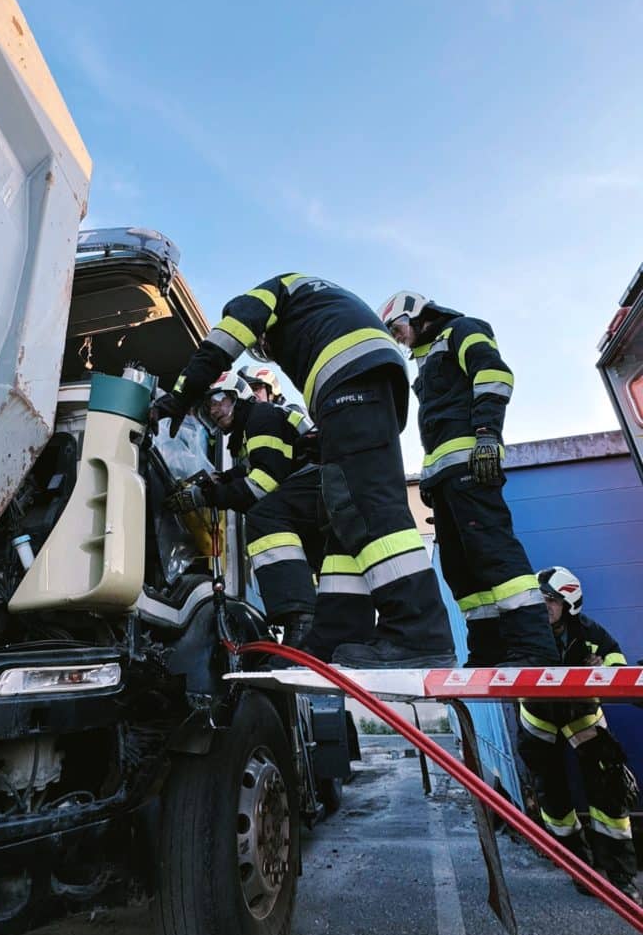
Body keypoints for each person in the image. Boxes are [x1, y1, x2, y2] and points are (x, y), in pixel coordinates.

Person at [153, 273, 455, 668]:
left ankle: (420, 634)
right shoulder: (313, 299)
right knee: (346, 516)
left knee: (368, 510)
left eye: (261, 343)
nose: (265, 348)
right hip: (363, 384)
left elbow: (222, 345)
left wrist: (180, 396)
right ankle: (339, 634)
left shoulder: (264, 297)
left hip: (351, 380)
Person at [379, 291, 558, 667]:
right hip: (445, 475)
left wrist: (487, 434)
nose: (398, 338)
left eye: (397, 329)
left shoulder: (462, 329)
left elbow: (494, 374)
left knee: (494, 552)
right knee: (461, 568)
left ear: (414, 315)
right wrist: (429, 479)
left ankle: (533, 648)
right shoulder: (428, 357)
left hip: (472, 465)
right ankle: (488, 651)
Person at [166, 370, 320, 646]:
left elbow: (264, 483)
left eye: (219, 400)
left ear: (239, 397)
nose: (214, 410)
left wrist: (204, 497)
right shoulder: (248, 430)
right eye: (209, 406)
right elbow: (257, 468)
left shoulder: (261, 418)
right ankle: (308, 624)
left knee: (265, 515)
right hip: (318, 492)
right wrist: (222, 479)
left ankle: (301, 620)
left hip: (319, 481)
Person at [517, 567, 641, 904]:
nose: (544, 607)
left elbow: (618, 664)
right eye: (540, 600)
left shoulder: (589, 632)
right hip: (539, 724)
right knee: (554, 802)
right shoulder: (525, 632)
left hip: (584, 719)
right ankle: (580, 870)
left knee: (609, 795)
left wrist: (603, 671)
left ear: (569, 603)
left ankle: (621, 878)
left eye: (551, 601)